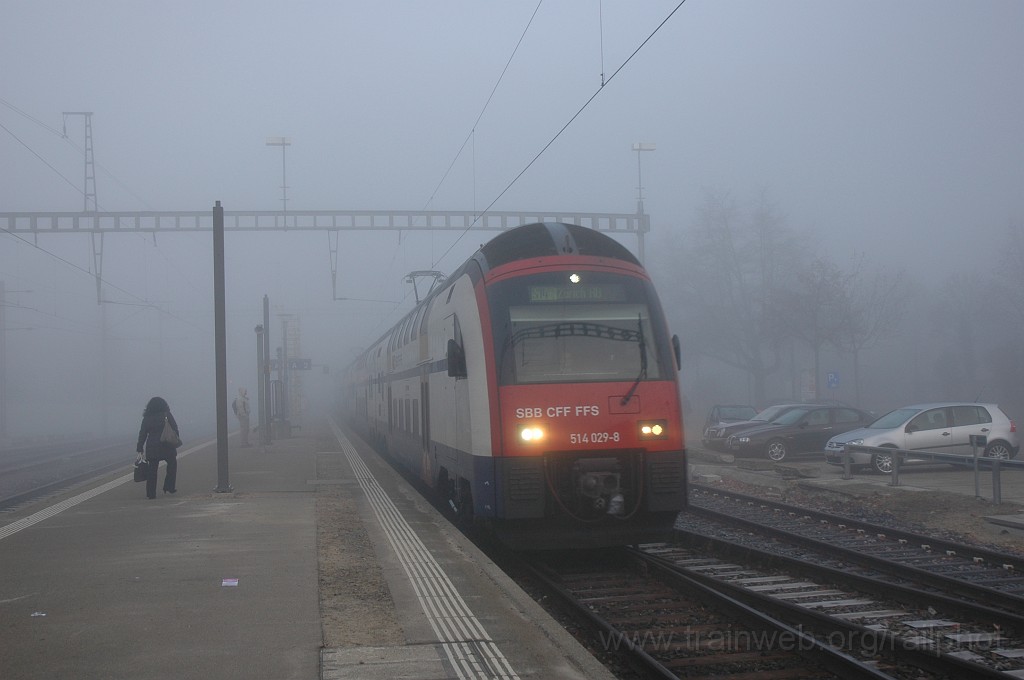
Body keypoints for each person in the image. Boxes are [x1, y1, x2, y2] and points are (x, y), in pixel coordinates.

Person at [136, 396, 180, 499]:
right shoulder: (166, 415)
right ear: (164, 405)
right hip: (167, 445)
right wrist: (175, 439)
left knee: (152, 470)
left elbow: (142, 433)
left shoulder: (147, 418)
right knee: (172, 464)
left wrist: (140, 447)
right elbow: (175, 428)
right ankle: (169, 486)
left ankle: (151, 493)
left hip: (152, 447)